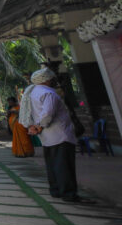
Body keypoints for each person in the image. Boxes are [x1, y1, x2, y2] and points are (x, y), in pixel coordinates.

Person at [26, 68, 92, 204]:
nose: (54, 80)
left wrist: (36, 126)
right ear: (46, 80)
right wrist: (40, 126)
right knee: (64, 165)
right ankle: (69, 193)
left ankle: (56, 190)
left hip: (47, 136)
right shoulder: (48, 93)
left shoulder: (33, 93)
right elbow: (48, 113)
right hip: (60, 135)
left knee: (53, 164)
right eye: (52, 78)